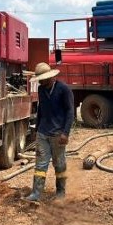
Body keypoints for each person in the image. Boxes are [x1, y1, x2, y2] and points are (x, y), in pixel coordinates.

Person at [25, 62, 74, 201]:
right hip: (43, 133)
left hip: (58, 134)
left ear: (50, 77)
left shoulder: (63, 89)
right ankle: (36, 193)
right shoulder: (41, 90)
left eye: (43, 79)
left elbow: (70, 112)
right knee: (40, 164)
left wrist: (66, 133)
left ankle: (60, 192)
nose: (40, 81)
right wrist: (37, 127)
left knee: (59, 164)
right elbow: (41, 109)